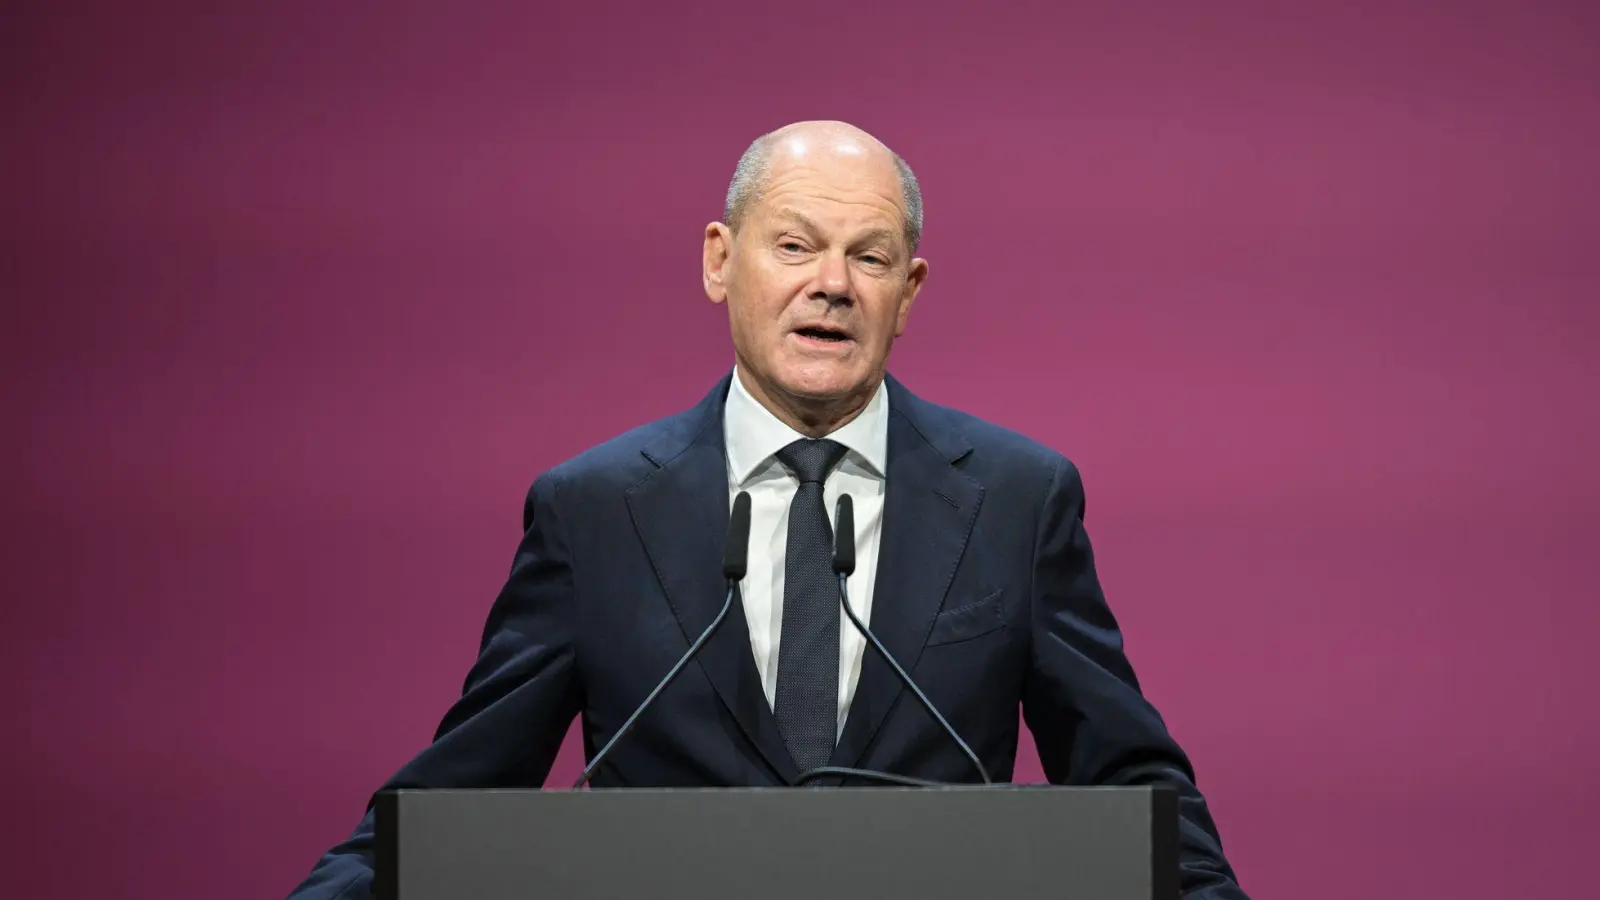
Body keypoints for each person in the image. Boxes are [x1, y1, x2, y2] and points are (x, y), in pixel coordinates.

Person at [287, 120, 1249, 899]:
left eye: (869, 257)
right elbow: (454, 797)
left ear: (907, 293)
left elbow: (1139, 796)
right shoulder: (594, 512)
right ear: (720, 260)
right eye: (795, 246)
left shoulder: (1014, 498)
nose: (831, 283)